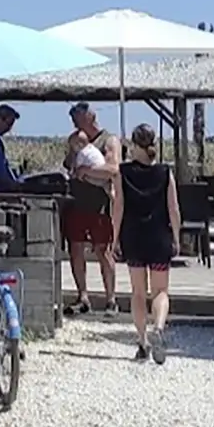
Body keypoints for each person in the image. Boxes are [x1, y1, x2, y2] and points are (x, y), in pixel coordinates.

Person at [112, 123, 181, 363]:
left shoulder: (122, 172)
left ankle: (142, 341)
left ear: (134, 145)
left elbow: (118, 207)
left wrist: (114, 238)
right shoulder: (165, 172)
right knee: (160, 291)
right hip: (159, 236)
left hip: (133, 237)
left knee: (138, 292)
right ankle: (158, 327)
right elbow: (173, 208)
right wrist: (176, 236)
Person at [61, 103, 120, 315]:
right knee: (75, 248)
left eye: (77, 117)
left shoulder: (109, 140)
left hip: (99, 204)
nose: (74, 122)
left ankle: (111, 299)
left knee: (103, 251)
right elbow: (69, 165)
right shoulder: (76, 140)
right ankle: (82, 296)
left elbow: (112, 169)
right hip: (77, 202)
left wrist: (87, 170)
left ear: (89, 117)